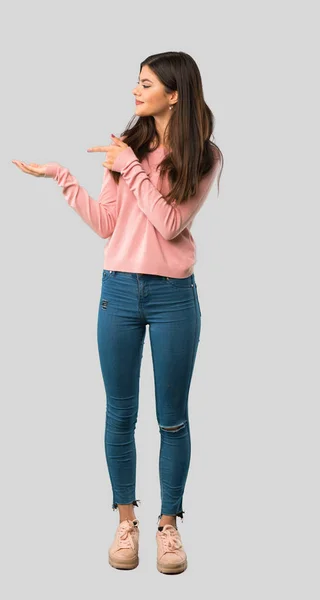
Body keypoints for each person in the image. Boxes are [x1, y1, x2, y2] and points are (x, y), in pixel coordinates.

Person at [12, 50, 223, 575]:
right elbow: (109, 224)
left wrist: (131, 168)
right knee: (119, 415)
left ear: (173, 93)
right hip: (119, 292)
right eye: (136, 81)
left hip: (175, 296)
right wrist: (63, 177)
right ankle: (125, 521)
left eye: (145, 82)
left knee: (171, 420)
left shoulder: (204, 155)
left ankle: (169, 526)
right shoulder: (124, 148)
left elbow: (170, 223)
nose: (135, 90)